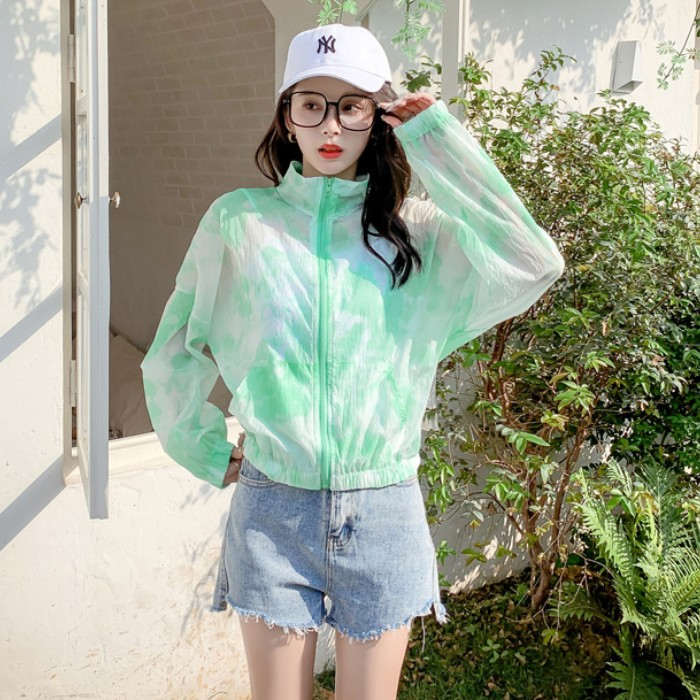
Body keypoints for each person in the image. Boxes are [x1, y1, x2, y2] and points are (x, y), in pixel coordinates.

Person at [140, 22, 566, 700]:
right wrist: (201, 445)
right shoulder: (240, 223)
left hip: (384, 510)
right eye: (311, 104)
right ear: (287, 116)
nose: (331, 125)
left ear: (378, 117)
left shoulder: (417, 233)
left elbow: (533, 261)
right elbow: (176, 345)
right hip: (273, 510)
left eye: (353, 106)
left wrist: (436, 139)